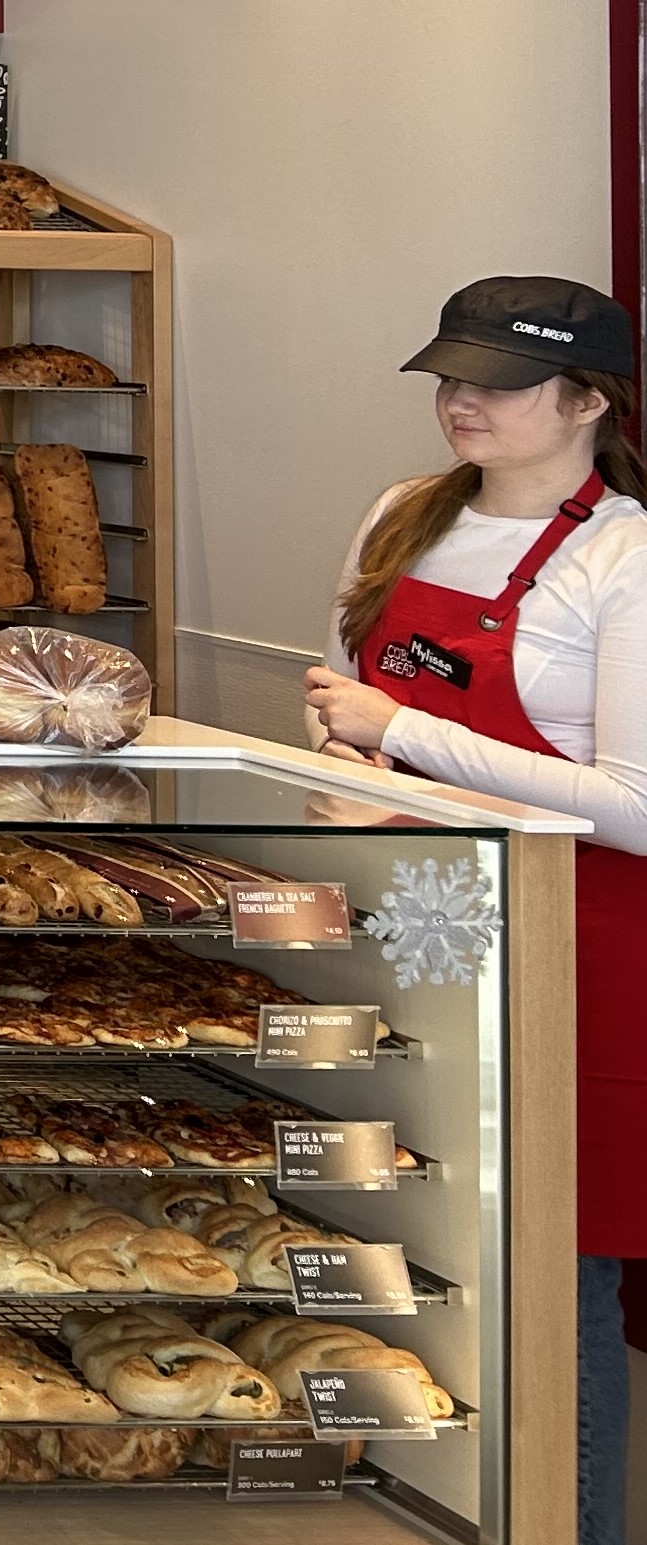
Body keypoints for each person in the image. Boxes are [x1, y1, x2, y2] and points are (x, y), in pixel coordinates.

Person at [300, 273, 647, 1542]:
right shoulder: (404, 516)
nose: (462, 400)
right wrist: (351, 766)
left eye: (499, 382)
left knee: (552, 1272)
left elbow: (635, 803)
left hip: (578, 955)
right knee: (410, 1239)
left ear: (588, 402)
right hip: (404, 924)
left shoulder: (628, 557)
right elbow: (341, 700)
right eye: (452, 374)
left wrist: (414, 738)